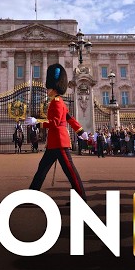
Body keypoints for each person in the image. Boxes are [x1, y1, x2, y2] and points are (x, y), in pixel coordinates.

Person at [25, 63, 89, 203]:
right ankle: (31, 195)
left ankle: (81, 197)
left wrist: (37, 122)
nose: (47, 89)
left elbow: (54, 122)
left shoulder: (57, 103)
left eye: (49, 87)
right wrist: (80, 131)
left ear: (53, 88)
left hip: (59, 142)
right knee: (41, 169)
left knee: (70, 171)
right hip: (54, 143)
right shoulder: (57, 102)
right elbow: (69, 118)